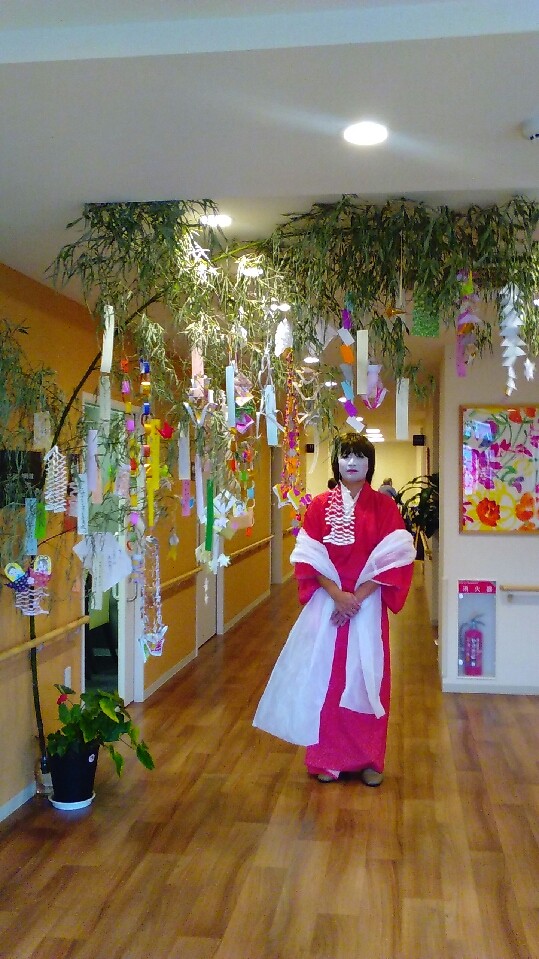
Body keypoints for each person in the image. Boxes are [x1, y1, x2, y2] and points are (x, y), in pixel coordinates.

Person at [253, 432, 415, 785]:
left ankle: (370, 759)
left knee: (369, 679)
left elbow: (397, 557)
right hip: (328, 606)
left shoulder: (385, 507)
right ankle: (326, 759)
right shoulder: (319, 506)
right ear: (335, 462)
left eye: (360, 456)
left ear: (370, 463)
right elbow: (308, 555)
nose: (352, 462)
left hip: (367, 605)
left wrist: (356, 596)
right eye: (345, 455)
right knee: (326, 679)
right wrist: (337, 594)